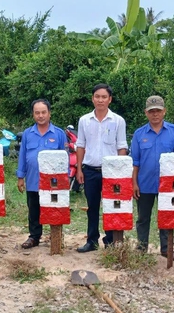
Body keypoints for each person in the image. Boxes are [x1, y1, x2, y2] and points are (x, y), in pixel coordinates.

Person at [75, 83, 128, 253]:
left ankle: (111, 240)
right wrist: (79, 169)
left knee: (112, 205)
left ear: (110, 99)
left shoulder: (118, 120)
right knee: (92, 207)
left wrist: (120, 172)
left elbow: (122, 147)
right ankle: (92, 240)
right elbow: (81, 145)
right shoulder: (84, 120)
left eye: (104, 97)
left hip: (112, 171)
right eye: (97, 96)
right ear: (92, 98)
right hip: (90, 169)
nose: (100, 100)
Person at [131, 95, 174, 261]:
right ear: (146, 113)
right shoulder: (139, 134)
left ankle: (167, 248)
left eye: (158, 111)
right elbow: (135, 162)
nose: (155, 114)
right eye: (151, 111)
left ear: (164, 111)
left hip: (167, 185)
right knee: (143, 217)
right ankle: (141, 247)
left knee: (167, 216)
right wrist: (134, 183)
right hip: (144, 183)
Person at [16, 99, 68, 249]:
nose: (40, 116)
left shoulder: (58, 134)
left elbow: (64, 158)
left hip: (53, 183)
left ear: (49, 113)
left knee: (54, 207)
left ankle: (56, 235)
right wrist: (21, 177)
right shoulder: (27, 134)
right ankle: (34, 236)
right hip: (33, 180)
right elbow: (23, 156)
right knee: (34, 209)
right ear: (33, 115)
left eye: (43, 112)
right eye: (37, 113)